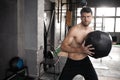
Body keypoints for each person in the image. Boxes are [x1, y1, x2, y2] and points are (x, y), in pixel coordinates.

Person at [58, 7, 98, 80]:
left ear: (92, 17)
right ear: (80, 17)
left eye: (88, 16)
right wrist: (80, 50)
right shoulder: (74, 30)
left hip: (85, 61)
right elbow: (63, 47)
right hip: (72, 62)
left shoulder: (91, 30)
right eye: (83, 17)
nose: (86, 19)